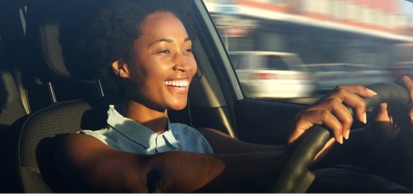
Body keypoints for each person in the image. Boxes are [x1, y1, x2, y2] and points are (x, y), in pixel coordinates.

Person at [55, 0, 413, 192]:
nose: (185, 65)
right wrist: (289, 157)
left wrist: (374, 139)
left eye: (188, 49)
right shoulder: (80, 146)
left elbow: (282, 156)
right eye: (165, 52)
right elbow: (155, 178)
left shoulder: (199, 137)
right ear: (122, 66)